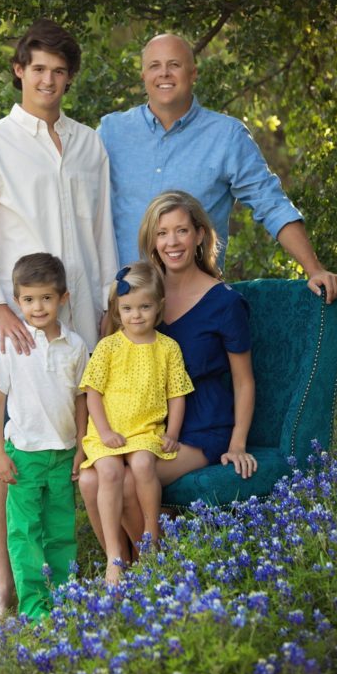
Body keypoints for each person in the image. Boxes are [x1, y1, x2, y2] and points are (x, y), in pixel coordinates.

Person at [0, 18, 118, 616]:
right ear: (20, 70)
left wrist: (105, 305)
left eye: (59, 71)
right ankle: (5, 582)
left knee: (78, 443)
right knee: (14, 454)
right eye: (38, 68)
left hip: (78, 328)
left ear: (69, 78)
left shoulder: (88, 144)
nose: (47, 80)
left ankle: (67, 572)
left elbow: (100, 231)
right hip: (16, 328)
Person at [97, 32, 337, 303]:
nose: (164, 74)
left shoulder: (227, 136)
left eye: (174, 65)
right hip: (125, 308)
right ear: (143, 75)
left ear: (194, 74)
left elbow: (271, 203)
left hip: (195, 307)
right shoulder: (111, 132)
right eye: (155, 66)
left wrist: (314, 269)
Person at [78, 190, 257, 560]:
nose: (172, 242)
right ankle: (124, 568)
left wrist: (237, 443)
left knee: (129, 481)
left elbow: (243, 380)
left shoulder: (224, 302)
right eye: (162, 233)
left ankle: (155, 565)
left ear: (199, 236)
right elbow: (111, 365)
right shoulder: (139, 294)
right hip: (142, 422)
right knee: (93, 478)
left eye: (181, 231)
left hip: (200, 425)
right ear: (151, 241)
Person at [0, 253, 88, 620]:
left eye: (46, 298)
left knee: (61, 530)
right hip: (24, 455)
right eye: (28, 299)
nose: (37, 306)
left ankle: (63, 598)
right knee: (25, 533)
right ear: (18, 301)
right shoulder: (11, 344)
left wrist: (81, 446)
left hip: (62, 453)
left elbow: (81, 399)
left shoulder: (76, 346)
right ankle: (32, 605)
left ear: (63, 298)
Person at [79, 260, 194, 585]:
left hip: (145, 430)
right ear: (118, 309)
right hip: (108, 431)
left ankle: (150, 539)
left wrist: (172, 433)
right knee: (111, 472)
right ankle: (115, 555)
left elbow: (177, 395)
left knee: (144, 464)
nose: (136, 315)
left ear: (158, 307)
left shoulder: (168, 348)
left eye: (144, 307)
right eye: (127, 308)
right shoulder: (108, 346)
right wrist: (104, 431)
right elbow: (93, 394)